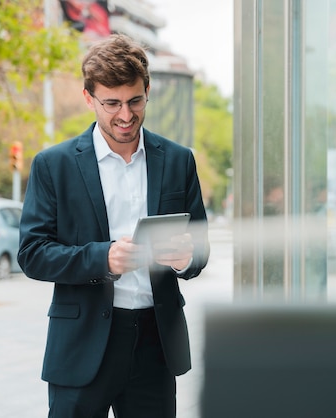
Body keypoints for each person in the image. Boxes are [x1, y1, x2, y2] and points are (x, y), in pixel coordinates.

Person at [18, 34, 210, 417]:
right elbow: (32, 254)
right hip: (82, 343)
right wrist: (102, 257)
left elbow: (199, 247)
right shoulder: (53, 165)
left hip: (156, 343)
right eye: (112, 104)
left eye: (135, 101)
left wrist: (186, 257)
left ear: (147, 90)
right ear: (89, 98)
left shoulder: (177, 160)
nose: (125, 115)